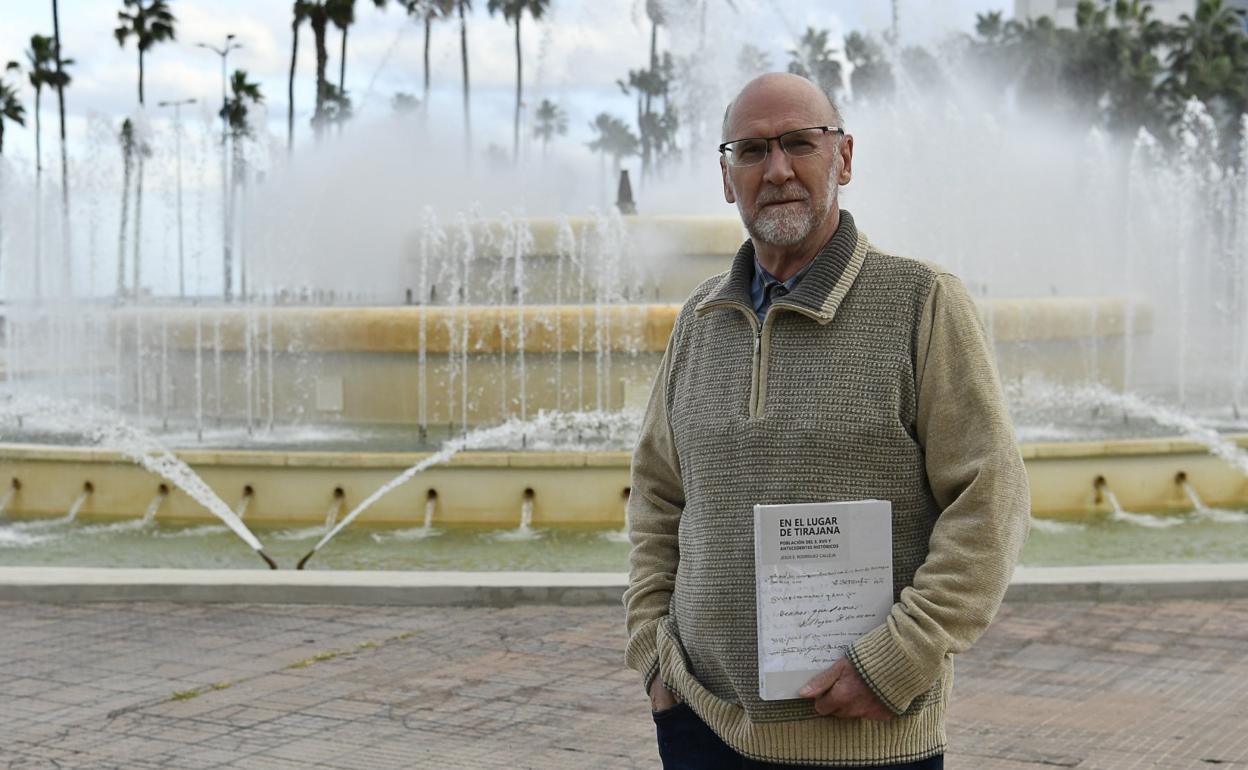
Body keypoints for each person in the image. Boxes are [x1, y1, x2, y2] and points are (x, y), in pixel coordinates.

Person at [622, 72, 1031, 769]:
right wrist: (652, 653)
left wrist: (899, 659)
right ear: (728, 177)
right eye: (751, 151)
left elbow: (991, 500)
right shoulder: (701, 319)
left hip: (866, 736)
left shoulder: (921, 301)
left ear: (842, 158)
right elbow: (658, 494)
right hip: (700, 724)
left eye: (797, 144)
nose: (776, 169)